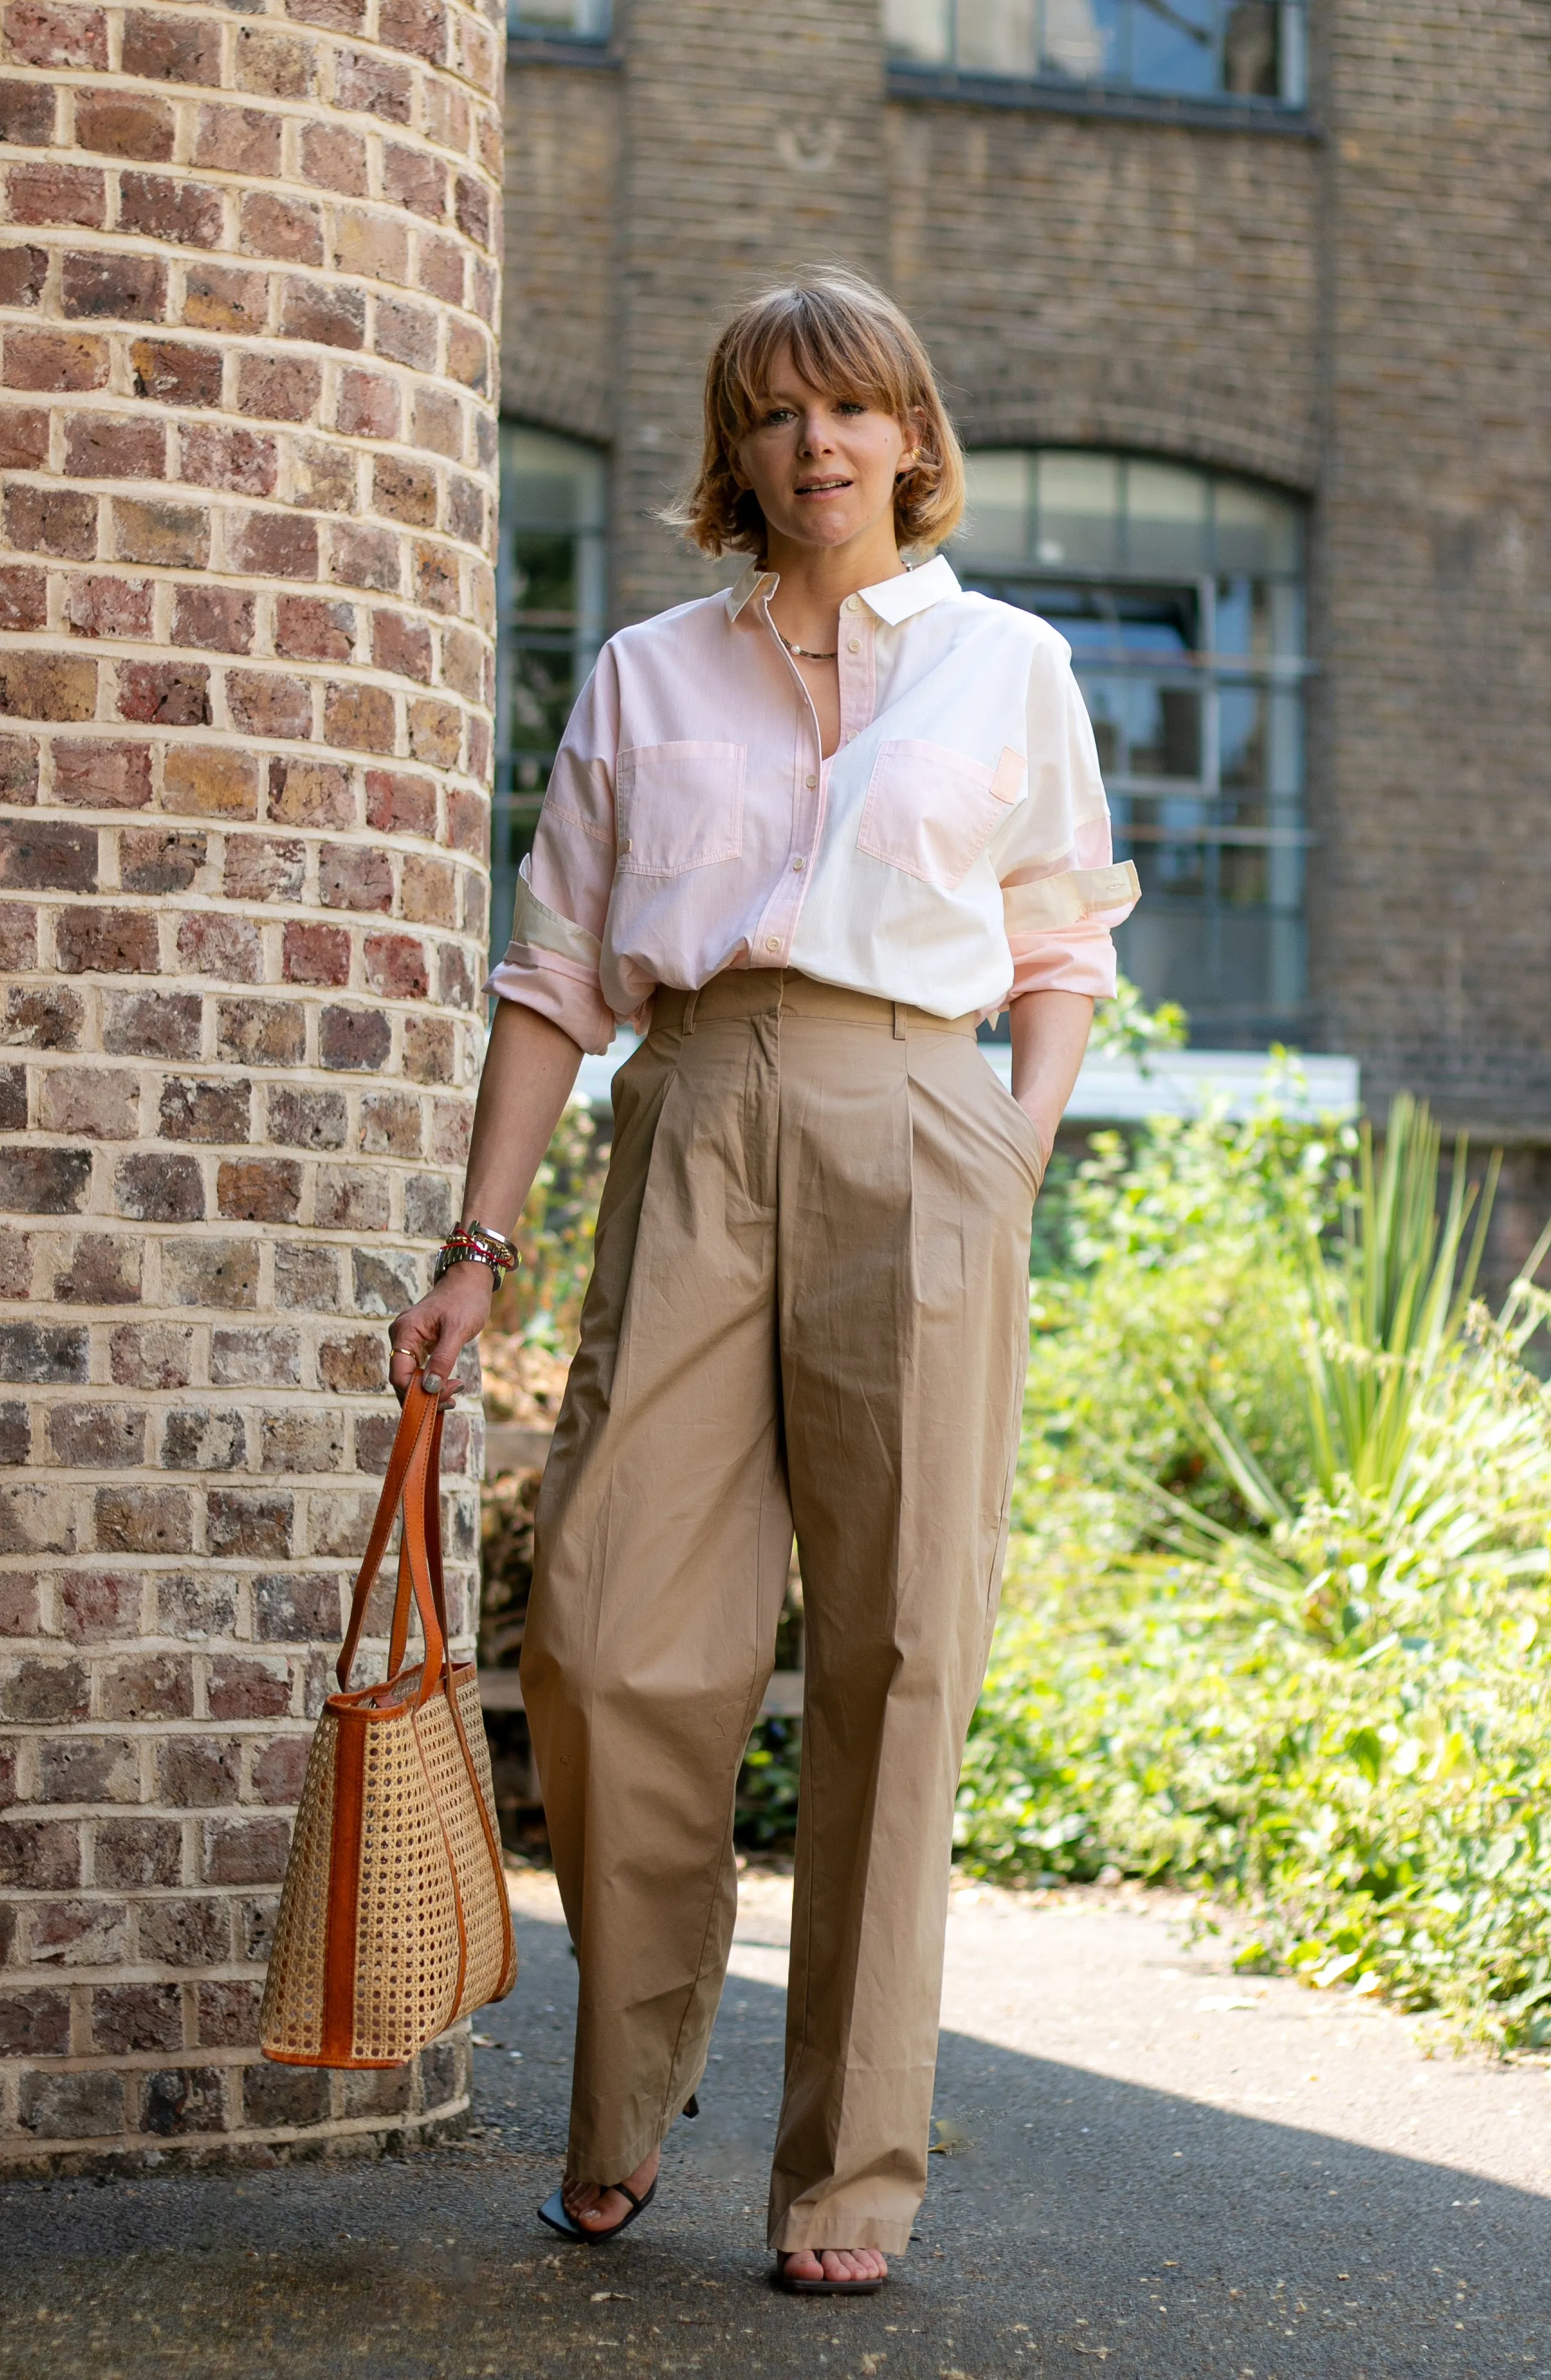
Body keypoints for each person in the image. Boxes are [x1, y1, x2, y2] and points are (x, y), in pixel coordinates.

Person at [388, 270, 1137, 2295]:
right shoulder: (646, 675)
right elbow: (551, 981)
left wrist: (1013, 1134)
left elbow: (1060, 944)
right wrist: (477, 1244)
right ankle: (621, 2119)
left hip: (920, 1122)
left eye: (852, 409)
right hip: (699, 1110)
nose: (817, 445)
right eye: (776, 415)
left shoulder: (1006, 667)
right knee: (615, 1638)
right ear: (733, 453)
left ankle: (847, 2178)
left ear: (911, 437)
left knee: (901, 1656)